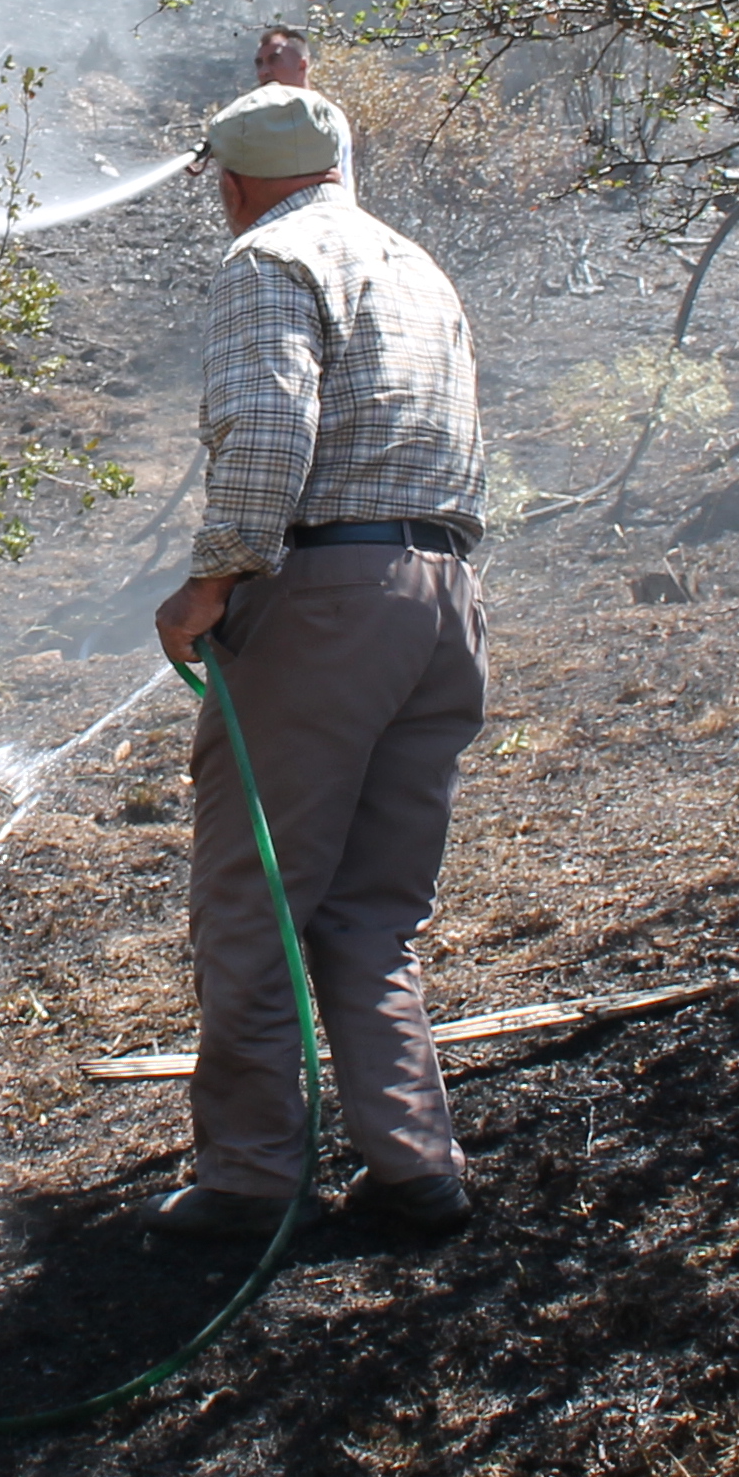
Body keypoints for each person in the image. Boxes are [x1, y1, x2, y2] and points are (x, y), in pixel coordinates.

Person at [144, 83, 489, 1242]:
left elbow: (269, 426)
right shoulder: (416, 265)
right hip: (444, 602)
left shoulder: (268, 258)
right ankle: (416, 1166)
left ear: (237, 183)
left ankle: (249, 1177)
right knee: (372, 913)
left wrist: (214, 580)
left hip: (330, 604)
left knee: (255, 902)